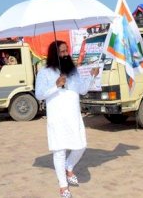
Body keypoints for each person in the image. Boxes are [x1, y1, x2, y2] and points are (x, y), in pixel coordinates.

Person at [35, 40, 99, 198]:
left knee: (81, 145)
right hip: (57, 119)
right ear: (54, 54)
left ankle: (68, 167)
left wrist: (92, 76)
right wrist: (56, 85)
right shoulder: (44, 72)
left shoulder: (73, 71)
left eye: (66, 51)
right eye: (62, 52)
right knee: (59, 151)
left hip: (73, 116)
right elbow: (39, 94)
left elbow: (82, 90)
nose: (65, 54)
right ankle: (63, 187)